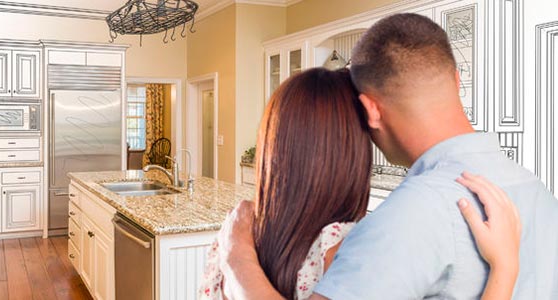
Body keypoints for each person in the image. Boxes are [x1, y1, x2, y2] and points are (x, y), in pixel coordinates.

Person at [216, 13, 558, 299]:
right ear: (456, 80)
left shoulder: (408, 217)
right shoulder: (537, 192)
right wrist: (504, 269)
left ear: (370, 110)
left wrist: (236, 256)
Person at [198, 67, 520, 300]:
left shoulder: (234, 236)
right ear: (352, 152)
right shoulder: (350, 246)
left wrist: (236, 254)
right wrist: (504, 269)